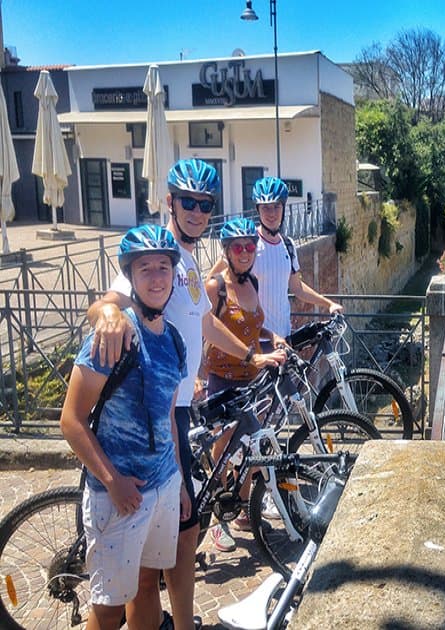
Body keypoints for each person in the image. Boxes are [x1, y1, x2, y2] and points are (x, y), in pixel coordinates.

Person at [86, 159, 284, 630]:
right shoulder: (158, 251)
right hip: (152, 417)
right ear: (170, 202)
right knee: (178, 531)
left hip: (177, 410)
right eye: (188, 202)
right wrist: (106, 315)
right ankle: (178, 621)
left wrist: (250, 356)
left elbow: (204, 322)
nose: (196, 212)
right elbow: (109, 302)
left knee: (182, 529)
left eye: (204, 204)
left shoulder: (189, 262)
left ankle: (177, 620)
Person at [62, 225, 189, 630]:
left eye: (163, 267)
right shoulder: (114, 337)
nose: (156, 277)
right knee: (108, 608)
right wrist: (112, 481)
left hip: (163, 485)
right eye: (145, 268)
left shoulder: (174, 340)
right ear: (130, 276)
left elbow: (167, 418)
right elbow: (71, 420)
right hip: (120, 494)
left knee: (148, 584)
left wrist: (179, 481)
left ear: (174, 274)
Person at [202, 217, 285, 552]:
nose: (245, 252)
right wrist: (197, 376)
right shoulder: (216, 287)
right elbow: (204, 328)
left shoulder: (251, 282)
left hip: (251, 380)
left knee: (251, 446)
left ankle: (243, 510)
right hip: (223, 379)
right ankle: (218, 521)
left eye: (250, 246)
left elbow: (253, 324)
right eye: (237, 247)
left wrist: (273, 336)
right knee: (222, 452)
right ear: (227, 251)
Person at [209, 176, 342, 342]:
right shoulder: (246, 245)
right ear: (258, 210)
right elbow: (212, 281)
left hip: (283, 338)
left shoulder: (288, 245)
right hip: (253, 341)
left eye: (276, 207)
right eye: (265, 208)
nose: (271, 213)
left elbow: (297, 287)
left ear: (283, 207)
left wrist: (328, 304)